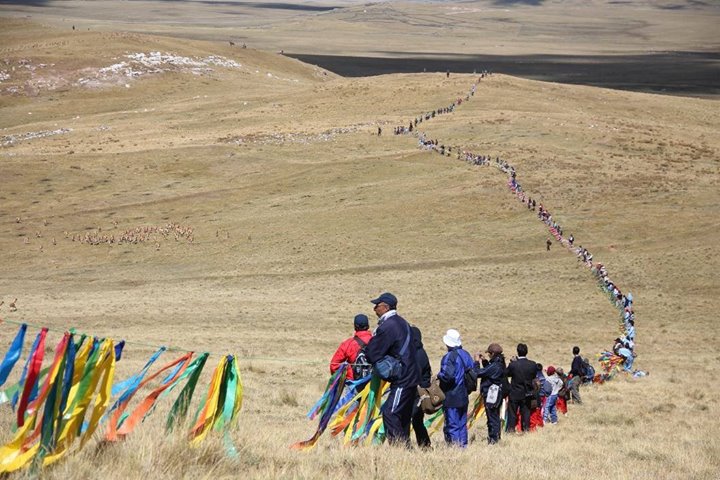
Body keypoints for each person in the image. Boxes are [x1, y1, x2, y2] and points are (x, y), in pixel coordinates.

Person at [365, 292, 419, 446]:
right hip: (411, 375)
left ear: (386, 307)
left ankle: (400, 448)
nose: (374, 308)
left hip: (403, 378)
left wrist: (369, 354)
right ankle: (405, 448)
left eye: (377, 305)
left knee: (390, 413)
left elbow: (373, 352)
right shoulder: (402, 322)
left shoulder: (388, 326)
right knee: (401, 415)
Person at [437, 329, 474, 447]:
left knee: (452, 424)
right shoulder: (466, 354)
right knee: (462, 423)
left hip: (452, 394)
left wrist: (439, 375)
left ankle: (455, 447)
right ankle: (463, 446)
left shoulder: (449, 357)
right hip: (464, 393)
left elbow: (447, 376)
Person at [474, 343, 505, 444]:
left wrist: (476, 362)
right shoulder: (499, 363)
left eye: (489, 354)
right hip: (497, 393)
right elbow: (490, 371)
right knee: (495, 415)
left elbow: (478, 373)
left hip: (492, 394)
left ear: (492, 354)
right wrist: (484, 361)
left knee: (492, 417)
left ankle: (493, 440)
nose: (488, 355)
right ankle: (496, 437)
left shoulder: (495, 365)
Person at [329, 314, 373, 381]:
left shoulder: (348, 344)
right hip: (375, 383)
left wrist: (349, 376)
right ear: (368, 326)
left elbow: (334, 365)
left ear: (355, 327)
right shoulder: (377, 341)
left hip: (354, 384)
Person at [505, 343, 537, 432]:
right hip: (527, 392)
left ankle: (511, 429)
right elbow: (534, 376)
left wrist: (512, 362)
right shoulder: (533, 364)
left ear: (517, 352)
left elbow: (507, 374)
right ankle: (526, 429)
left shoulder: (513, 365)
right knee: (526, 413)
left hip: (515, 392)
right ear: (527, 352)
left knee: (512, 413)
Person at [411, 325, 431, 448]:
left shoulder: (416, 354)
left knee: (414, 419)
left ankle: (423, 445)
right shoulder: (421, 352)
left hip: (415, 393)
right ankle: (425, 445)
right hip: (420, 392)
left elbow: (415, 373)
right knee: (418, 421)